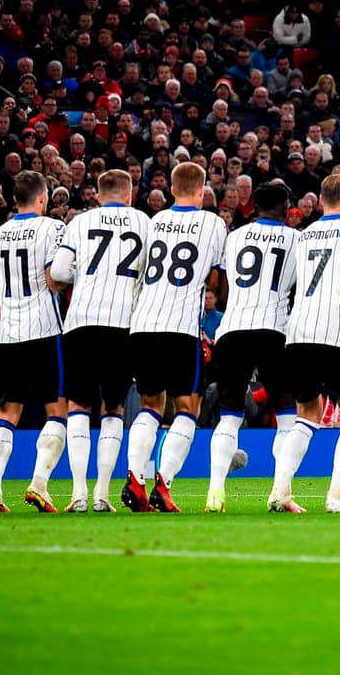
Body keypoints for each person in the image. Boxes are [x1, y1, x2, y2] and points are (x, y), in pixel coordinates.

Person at [270, 175, 340, 513]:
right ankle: (336, 496)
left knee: (306, 415)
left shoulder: (302, 237)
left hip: (299, 334)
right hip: (336, 333)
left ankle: (280, 493)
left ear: (320, 201)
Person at [123, 162, 227, 512]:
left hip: (142, 325)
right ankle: (163, 484)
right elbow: (216, 278)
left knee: (151, 406)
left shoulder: (154, 222)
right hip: (180, 328)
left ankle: (135, 478)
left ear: (170, 189)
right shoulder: (212, 223)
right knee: (187, 408)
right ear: (202, 191)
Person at [47, 168, 150, 512]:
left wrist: (85, 274)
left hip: (81, 322)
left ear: (97, 194)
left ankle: (78, 494)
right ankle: (103, 494)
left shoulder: (79, 223)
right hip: (124, 324)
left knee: (77, 406)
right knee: (114, 408)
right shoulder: (144, 223)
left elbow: (59, 273)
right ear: (130, 193)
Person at [203, 182, 299, 513]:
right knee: (288, 419)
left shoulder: (235, 237)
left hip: (232, 330)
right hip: (275, 330)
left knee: (228, 418)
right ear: (286, 207)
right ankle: (279, 494)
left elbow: (224, 287)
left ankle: (215, 493)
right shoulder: (296, 240)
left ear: (254, 206)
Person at [0, 171, 69, 512]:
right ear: (43, 197)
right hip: (44, 329)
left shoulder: (1, 232)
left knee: (7, 412)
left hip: (9, 331)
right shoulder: (52, 228)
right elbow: (55, 278)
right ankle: (39, 485)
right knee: (57, 409)